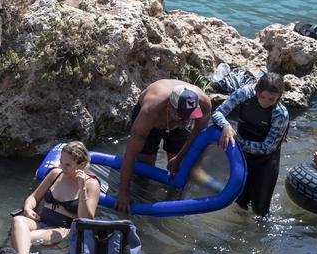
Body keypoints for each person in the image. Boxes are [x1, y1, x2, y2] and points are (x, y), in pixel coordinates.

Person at [117, 80, 211, 213]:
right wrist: (123, 193)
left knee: (179, 168)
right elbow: (131, 152)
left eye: (190, 116)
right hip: (153, 122)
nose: (186, 121)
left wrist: (179, 157)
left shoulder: (204, 105)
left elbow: (198, 133)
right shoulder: (150, 110)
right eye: (181, 116)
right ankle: (142, 196)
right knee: (145, 166)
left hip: (176, 127)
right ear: (169, 107)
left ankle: (171, 202)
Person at [10, 141, 100, 254]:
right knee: (17, 220)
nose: (63, 167)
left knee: (23, 238)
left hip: (63, 229)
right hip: (41, 221)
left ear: (82, 164)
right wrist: (28, 208)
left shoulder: (91, 184)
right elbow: (33, 197)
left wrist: (83, 189)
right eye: (61, 162)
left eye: (68, 165)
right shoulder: (55, 174)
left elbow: (86, 219)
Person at [212, 72, 289, 216]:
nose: (265, 102)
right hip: (242, 157)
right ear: (257, 91)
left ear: (279, 97)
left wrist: (238, 142)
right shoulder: (245, 93)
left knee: (260, 210)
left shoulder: (280, 114)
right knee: (240, 202)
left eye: (271, 99)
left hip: (266, 161)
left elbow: (267, 148)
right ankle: (240, 227)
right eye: (262, 96)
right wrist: (226, 126)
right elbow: (218, 113)